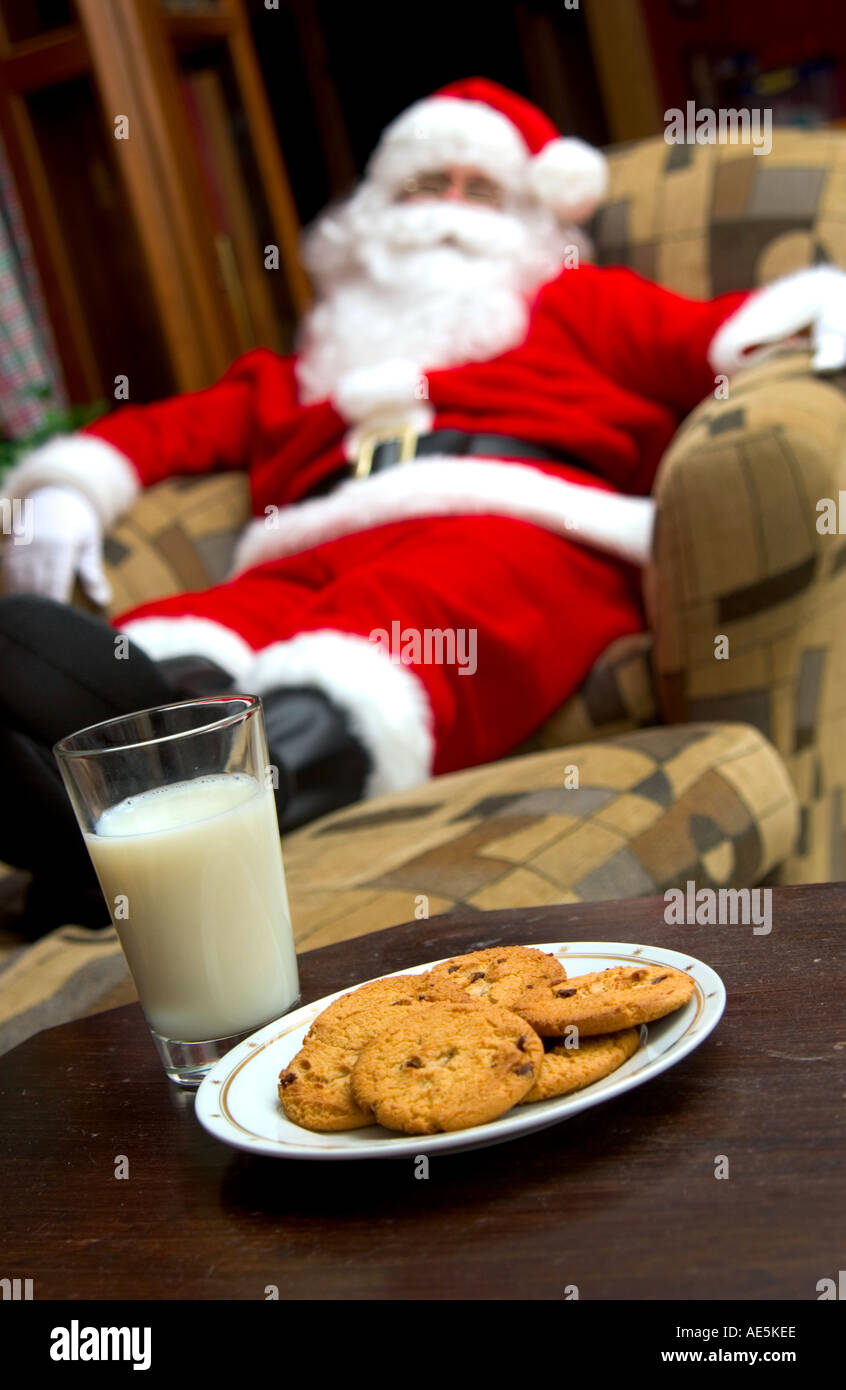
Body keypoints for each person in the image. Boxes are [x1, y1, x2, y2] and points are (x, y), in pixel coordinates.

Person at [2, 76, 845, 935]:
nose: (449, 210)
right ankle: (114, 794)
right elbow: (171, 431)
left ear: (537, 222)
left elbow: (709, 339)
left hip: (519, 522)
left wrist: (803, 308)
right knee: (199, 623)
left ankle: (199, 803)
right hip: (308, 545)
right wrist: (70, 484)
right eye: (422, 186)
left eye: (480, 191)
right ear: (369, 217)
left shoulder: (577, 304)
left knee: (413, 617)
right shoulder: (308, 361)